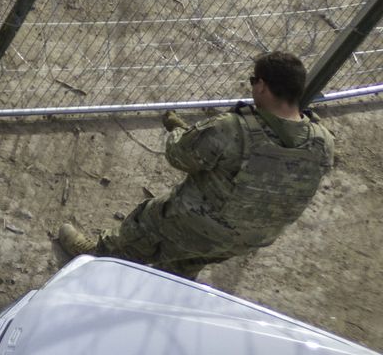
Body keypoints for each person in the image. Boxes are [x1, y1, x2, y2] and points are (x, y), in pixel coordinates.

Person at [55, 51, 334, 279]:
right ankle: (171, 281)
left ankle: (96, 258)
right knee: (189, 259)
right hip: (251, 238)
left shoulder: (232, 129)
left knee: (148, 222)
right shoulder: (322, 141)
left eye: (253, 81)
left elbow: (178, 155)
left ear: (261, 86)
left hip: (198, 224)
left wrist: (179, 130)